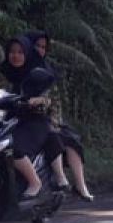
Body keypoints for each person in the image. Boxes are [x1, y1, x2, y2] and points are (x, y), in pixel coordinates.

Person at [23, 29, 94, 201]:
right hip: (15, 118)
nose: (40, 50)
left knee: (70, 140)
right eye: (36, 46)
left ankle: (79, 185)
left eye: (43, 47)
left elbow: (54, 101)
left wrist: (53, 121)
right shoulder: (14, 66)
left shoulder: (47, 72)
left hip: (44, 119)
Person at [0, 36, 67, 202]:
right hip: (3, 121)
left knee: (12, 148)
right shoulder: (1, 73)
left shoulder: (37, 73)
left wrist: (38, 100)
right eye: (12, 52)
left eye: (20, 52)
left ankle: (35, 182)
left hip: (32, 122)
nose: (15, 56)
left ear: (27, 54)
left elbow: (48, 98)